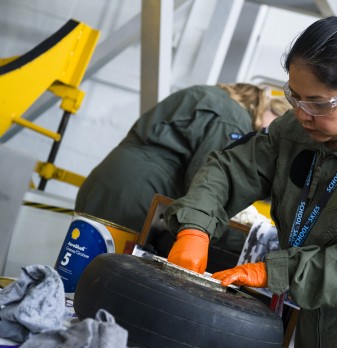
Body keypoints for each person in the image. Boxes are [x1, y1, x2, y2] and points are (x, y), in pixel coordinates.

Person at [164, 16, 337, 348]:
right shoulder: (296, 130)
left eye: (318, 103)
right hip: (318, 323)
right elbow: (230, 169)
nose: (303, 114)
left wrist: (274, 272)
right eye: (294, 96)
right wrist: (194, 228)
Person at [75, 83, 290, 234]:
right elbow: (204, 182)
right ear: (273, 113)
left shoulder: (215, 97)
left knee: (75, 270)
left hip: (109, 181)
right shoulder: (235, 121)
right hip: (134, 198)